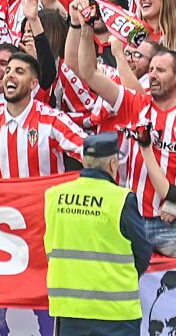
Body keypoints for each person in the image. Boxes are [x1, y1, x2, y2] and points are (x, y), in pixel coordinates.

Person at [44, 131, 153, 334]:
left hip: (70, 310)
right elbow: (143, 253)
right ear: (113, 164)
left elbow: (50, 246)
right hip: (115, 313)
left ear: (84, 161)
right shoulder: (121, 199)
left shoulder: (54, 196)